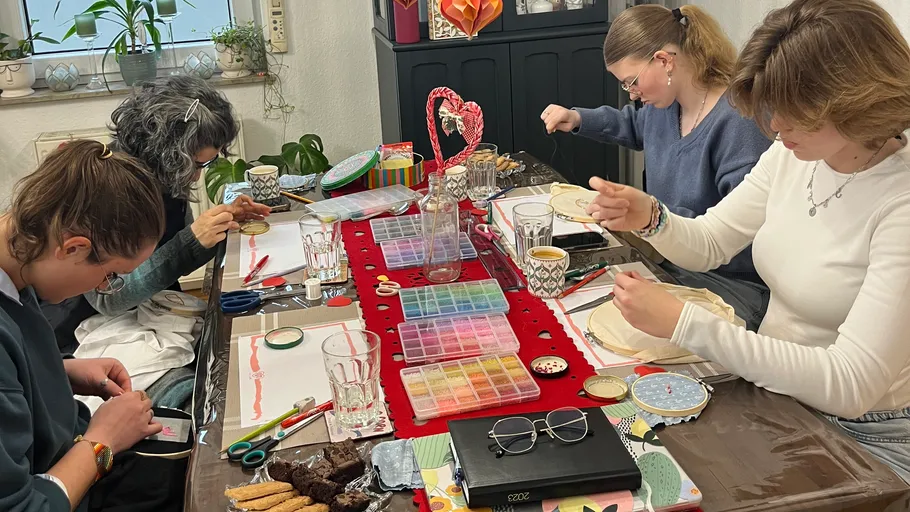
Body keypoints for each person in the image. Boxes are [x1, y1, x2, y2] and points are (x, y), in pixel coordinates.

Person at [585, 0, 910, 482]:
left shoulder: (898, 204)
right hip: (774, 394)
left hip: (865, 432)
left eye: (794, 114)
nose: (776, 126)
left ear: (855, 100)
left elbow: (851, 383)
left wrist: (687, 324)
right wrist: (651, 217)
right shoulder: (792, 154)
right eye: (772, 109)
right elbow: (713, 240)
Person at [540, 4, 772, 331]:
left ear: (665, 61)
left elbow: (741, 238)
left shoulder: (738, 123)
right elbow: (636, 126)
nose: (632, 93)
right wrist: (579, 119)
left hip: (730, 284)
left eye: (632, 82)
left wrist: (653, 217)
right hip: (669, 261)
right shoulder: (664, 105)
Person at [41, 76, 270, 353]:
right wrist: (192, 241)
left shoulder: (167, 176)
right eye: (198, 164)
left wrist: (220, 227)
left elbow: (173, 257)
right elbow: (109, 300)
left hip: (155, 308)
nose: (199, 174)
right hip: (93, 330)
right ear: (167, 152)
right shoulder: (104, 191)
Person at [0, 140, 167, 510]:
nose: (104, 286)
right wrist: (101, 442)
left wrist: (54, 370)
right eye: (109, 274)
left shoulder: (16, 268)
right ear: (73, 248)